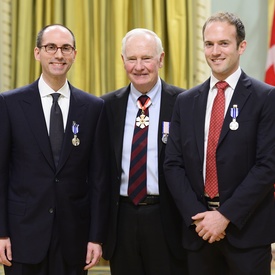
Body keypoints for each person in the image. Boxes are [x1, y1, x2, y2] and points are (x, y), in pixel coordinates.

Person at [164, 11, 275, 275]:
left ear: (241, 47)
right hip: (198, 232)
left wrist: (224, 216)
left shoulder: (266, 98)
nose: (215, 51)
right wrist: (200, 218)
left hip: (246, 233)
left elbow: (267, 165)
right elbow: (173, 164)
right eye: (209, 44)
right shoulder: (186, 101)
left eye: (224, 43)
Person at [0, 24, 110, 275]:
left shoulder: (93, 108)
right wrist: (1, 232)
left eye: (65, 48)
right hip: (22, 236)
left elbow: (99, 179)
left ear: (74, 54)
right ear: (38, 53)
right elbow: (1, 173)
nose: (58, 54)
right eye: (51, 47)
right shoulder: (9, 104)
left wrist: (96, 237)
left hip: (74, 239)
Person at [101, 28, 188, 275]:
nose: (139, 66)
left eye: (146, 58)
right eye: (132, 59)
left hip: (167, 219)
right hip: (122, 220)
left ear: (161, 59)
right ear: (123, 61)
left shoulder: (184, 102)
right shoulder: (106, 106)